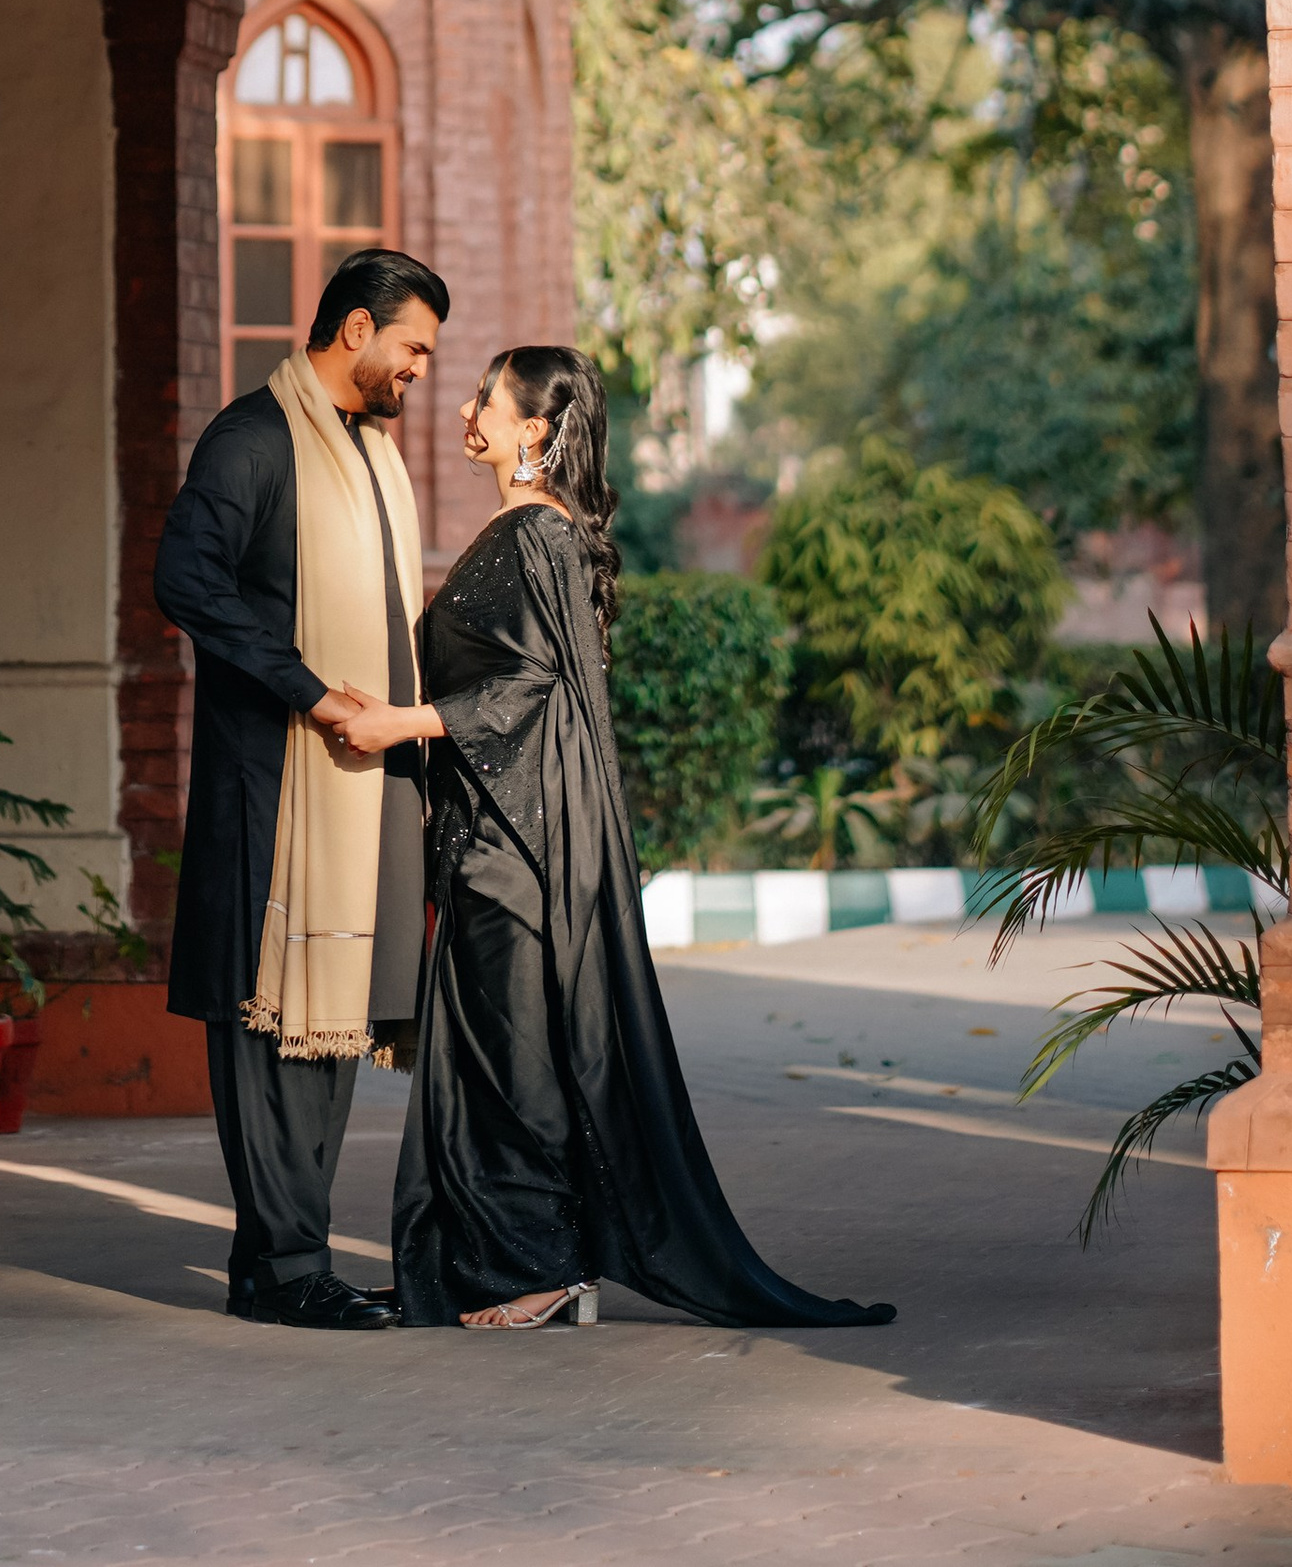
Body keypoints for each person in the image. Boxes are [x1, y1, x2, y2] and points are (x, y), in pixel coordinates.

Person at [320, 343, 895, 1336]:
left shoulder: (538, 534)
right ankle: (484, 1264)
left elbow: (529, 688)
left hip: (517, 847)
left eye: (488, 398)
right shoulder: (514, 529)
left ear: (535, 428)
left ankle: (543, 1271)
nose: (468, 408)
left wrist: (403, 724)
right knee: (487, 1066)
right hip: (482, 839)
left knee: (518, 1066)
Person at [152, 247, 450, 1330]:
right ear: (355, 328)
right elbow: (183, 579)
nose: (420, 367)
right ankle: (284, 1270)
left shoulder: (371, 452)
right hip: (274, 785)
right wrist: (314, 692)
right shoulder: (253, 438)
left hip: (362, 789)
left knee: (330, 1030)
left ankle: (283, 1260)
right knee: (266, 1030)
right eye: (412, 344)